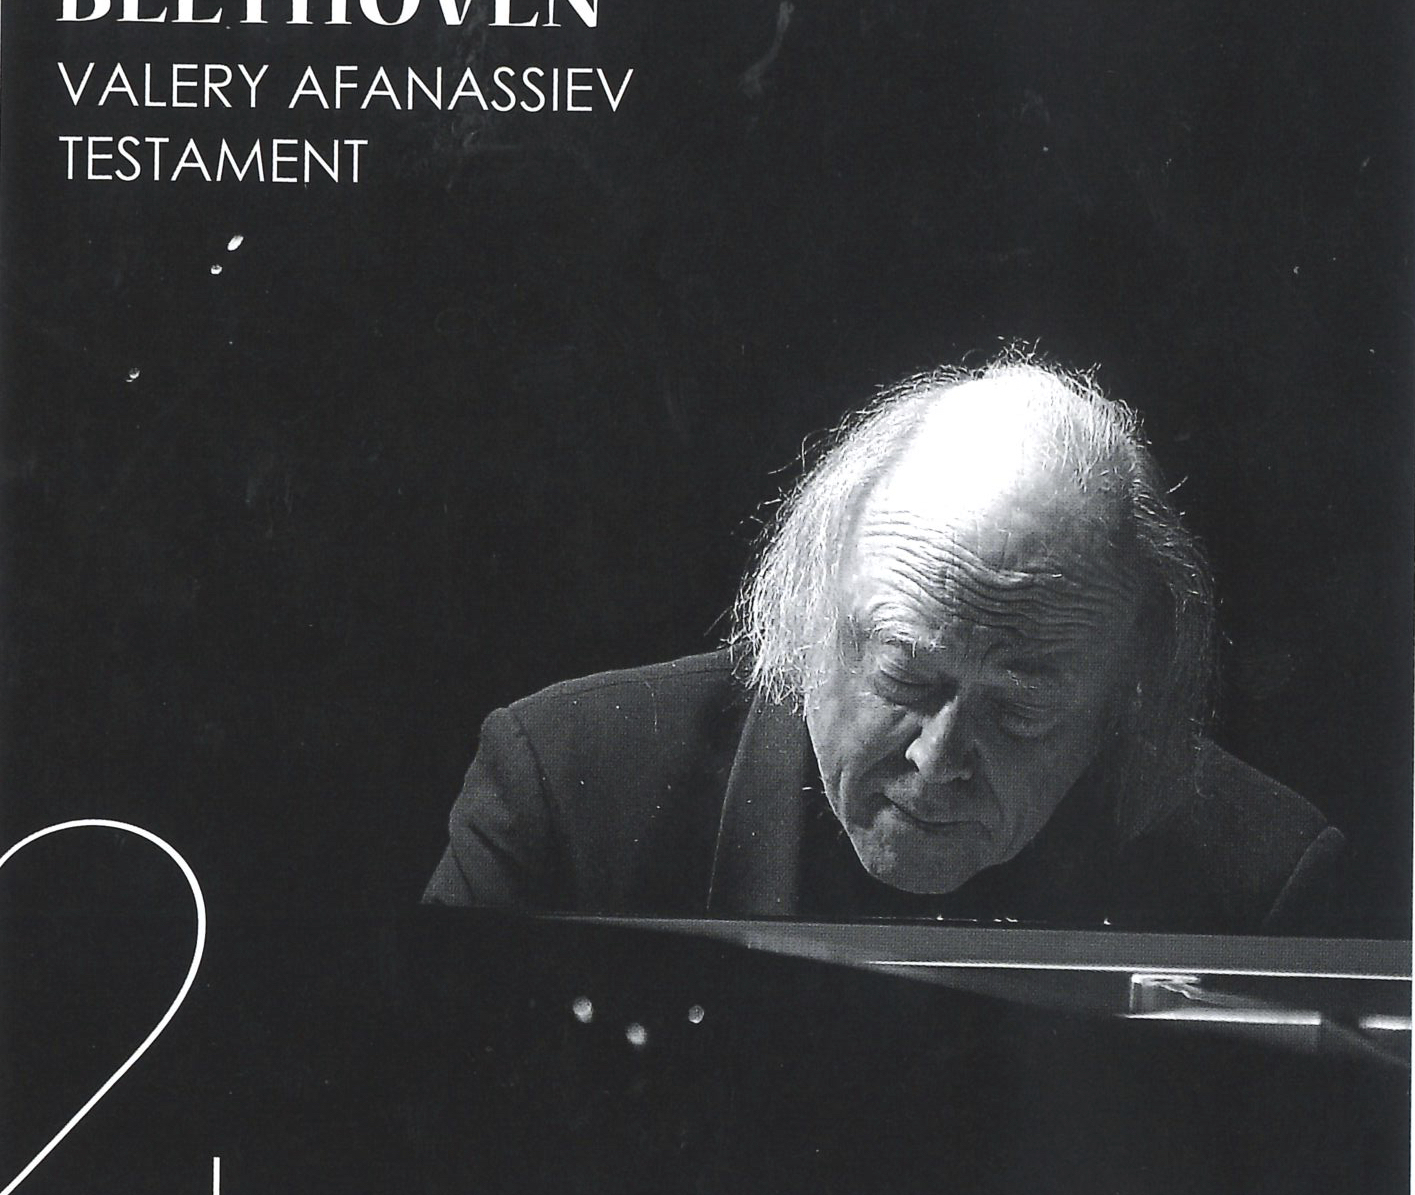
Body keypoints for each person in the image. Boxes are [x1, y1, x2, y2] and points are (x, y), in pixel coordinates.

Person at [423, 354, 1348, 932]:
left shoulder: (1264, 881)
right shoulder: (564, 787)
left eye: (1022, 708)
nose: (936, 760)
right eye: (904, 674)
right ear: (804, 614)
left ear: (1125, 701)